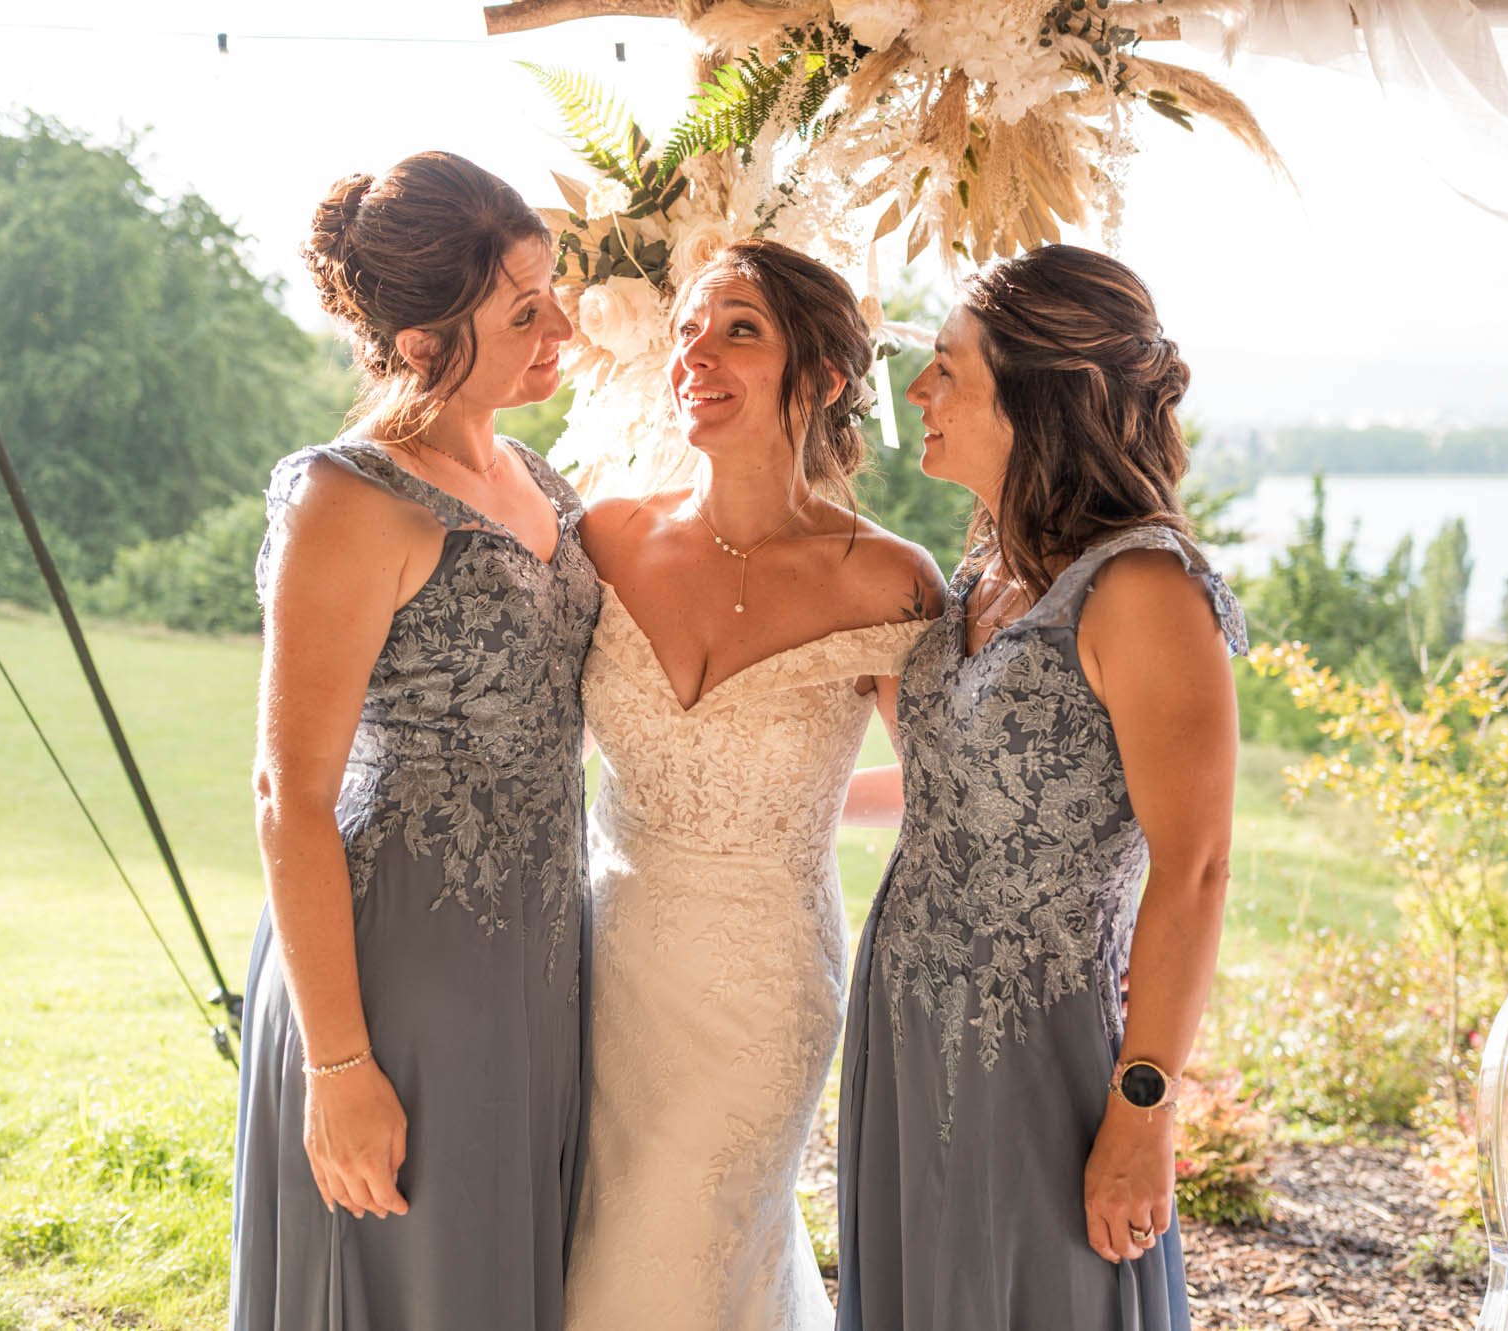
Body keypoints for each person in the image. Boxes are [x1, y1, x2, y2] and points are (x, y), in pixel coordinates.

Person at [835, 244, 1246, 1331]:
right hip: (904, 1017)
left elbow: (1195, 866)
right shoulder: (982, 567)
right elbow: (960, 785)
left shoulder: (1142, 587)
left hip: (1037, 1042)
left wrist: (1141, 1111)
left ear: (1036, 396)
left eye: (945, 368)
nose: (915, 393)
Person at [230, 151, 600, 1331]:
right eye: (523, 310)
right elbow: (289, 792)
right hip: (394, 967)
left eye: (555, 295)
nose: (562, 329)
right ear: (429, 336)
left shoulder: (537, 477)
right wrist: (339, 1067)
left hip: (538, 953)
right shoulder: (350, 498)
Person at [564, 238, 944, 1330]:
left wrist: (804, 809)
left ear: (822, 376)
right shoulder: (605, 535)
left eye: (739, 327)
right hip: (602, 961)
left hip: (762, 984)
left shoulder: (885, 576)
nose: (696, 351)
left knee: (681, 1252)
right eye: (687, 325)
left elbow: (950, 791)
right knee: (592, 1237)